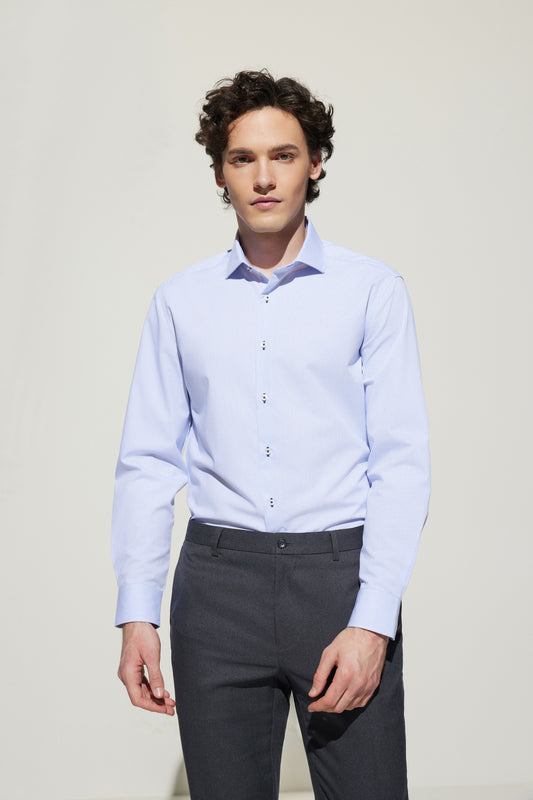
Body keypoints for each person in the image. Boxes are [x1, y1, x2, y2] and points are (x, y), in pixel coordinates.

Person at [112, 69, 430, 800]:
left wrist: (373, 621)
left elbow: (401, 463)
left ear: (314, 163)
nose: (263, 178)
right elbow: (148, 463)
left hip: (338, 580)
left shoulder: (371, 291)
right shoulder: (180, 301)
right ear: (219, 173)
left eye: (283, 155)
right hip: (217, 587)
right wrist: (136, 613)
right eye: (242, 158)